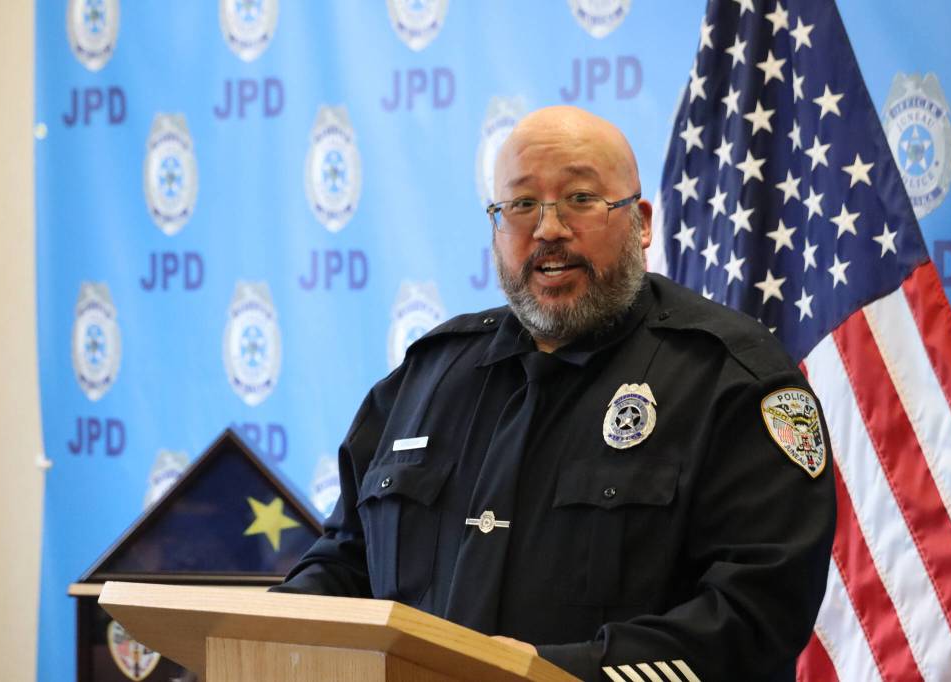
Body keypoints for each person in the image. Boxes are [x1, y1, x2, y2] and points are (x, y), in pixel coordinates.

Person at [272, 106, 836, 681]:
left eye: (580, 199)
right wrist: (270, 632)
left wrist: (540, 674)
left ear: (641, 223)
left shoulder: (732, 379)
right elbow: (345, 564)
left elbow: (755, 617)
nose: (548, 229)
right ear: (496, 227)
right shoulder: (425, 378)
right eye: (521, 205)